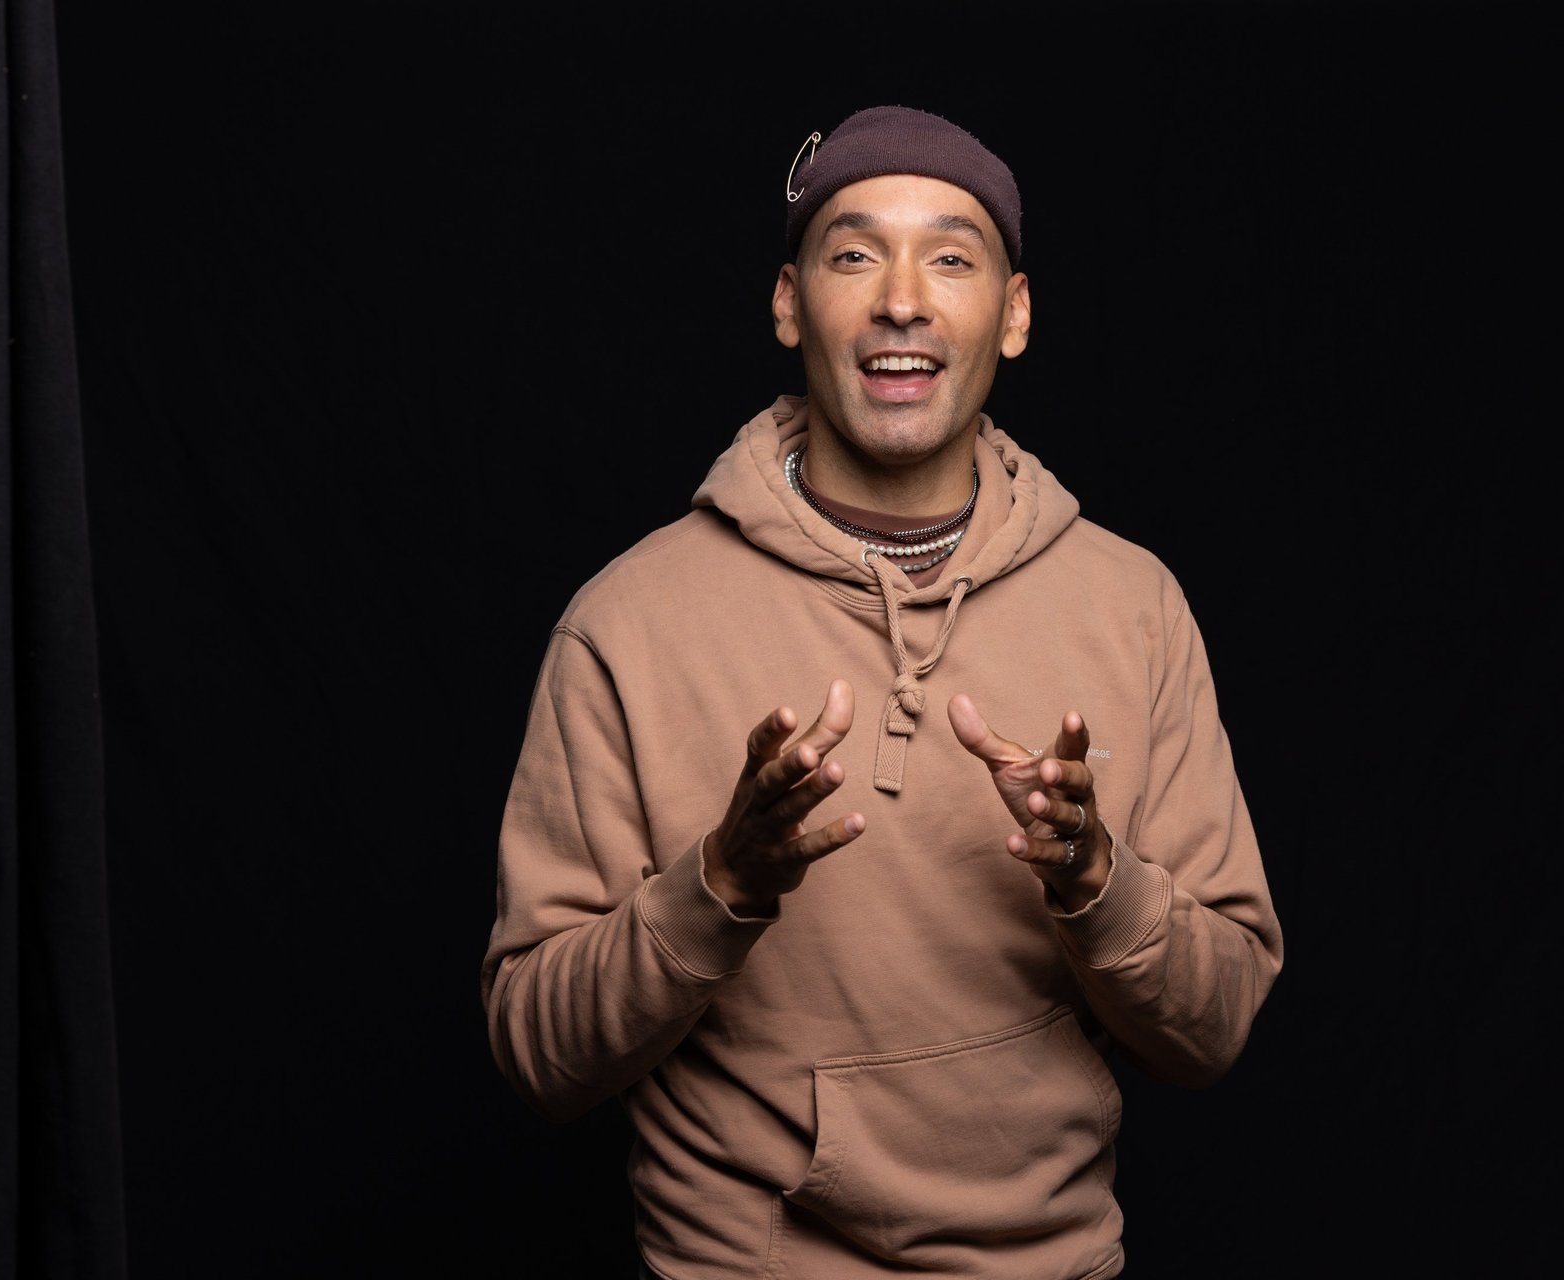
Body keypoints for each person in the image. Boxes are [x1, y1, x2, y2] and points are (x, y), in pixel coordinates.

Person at [481, 103, 1284, 1279]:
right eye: (854, 253)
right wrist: (721, 884)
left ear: (1013, 314)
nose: (901, 298)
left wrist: (1096, 881)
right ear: (788, 302)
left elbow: (1215, 1030)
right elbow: (537, 1056)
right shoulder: (627, 623)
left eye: (951, 258)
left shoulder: (1133, 605)